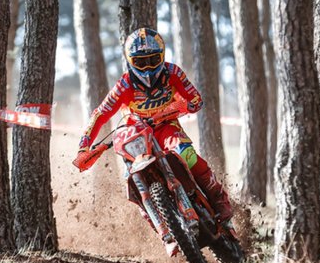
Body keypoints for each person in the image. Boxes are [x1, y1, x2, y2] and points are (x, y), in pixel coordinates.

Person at [75, 27, 233, 226]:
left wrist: (182, 106)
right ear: (130, 61)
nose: (148, 68)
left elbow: (196, 100)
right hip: (136, 136)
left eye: (152, 60)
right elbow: (99, 114)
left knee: (186, 153)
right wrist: (84, 146)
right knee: (130, 178)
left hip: (166, 127)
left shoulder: (172, 72)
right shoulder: (124, 85)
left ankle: (220, 200)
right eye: (140, 62)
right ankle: (161, 229)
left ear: (162, 56)